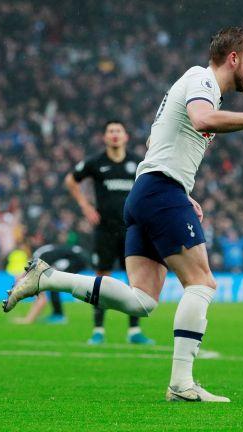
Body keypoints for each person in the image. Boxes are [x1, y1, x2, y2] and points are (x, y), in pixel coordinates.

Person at [3, 26, 243, 402]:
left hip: (151, 191)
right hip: (158, 192)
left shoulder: (196, 86)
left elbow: (154, 140)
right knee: (202, 283)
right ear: (233, 58)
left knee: (141, 300)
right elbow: (202, 121)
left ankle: (47, 278)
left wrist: (180, 191)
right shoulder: (201, 80)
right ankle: (181, 384)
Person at [64, 120, 153, 345]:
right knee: (102, 280)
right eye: (110, 131)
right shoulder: (96, 162)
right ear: (104, 137)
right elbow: (71, 180)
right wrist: (85, 206)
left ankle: (134, 332)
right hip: (104, 231)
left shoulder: (136, 162)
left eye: (118, 131)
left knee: (135, 281)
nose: (114, 135)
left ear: (126, 137)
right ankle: (98, 330)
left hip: (131, 230)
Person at [12, 241, 90, 325]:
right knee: (52, 280)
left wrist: (28, 320)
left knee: (53, 282)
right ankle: (57, 314)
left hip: (78, 258)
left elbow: (41, 300)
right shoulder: (38, 257)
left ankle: (59, 316)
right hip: (78, 255)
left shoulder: (36, 263)